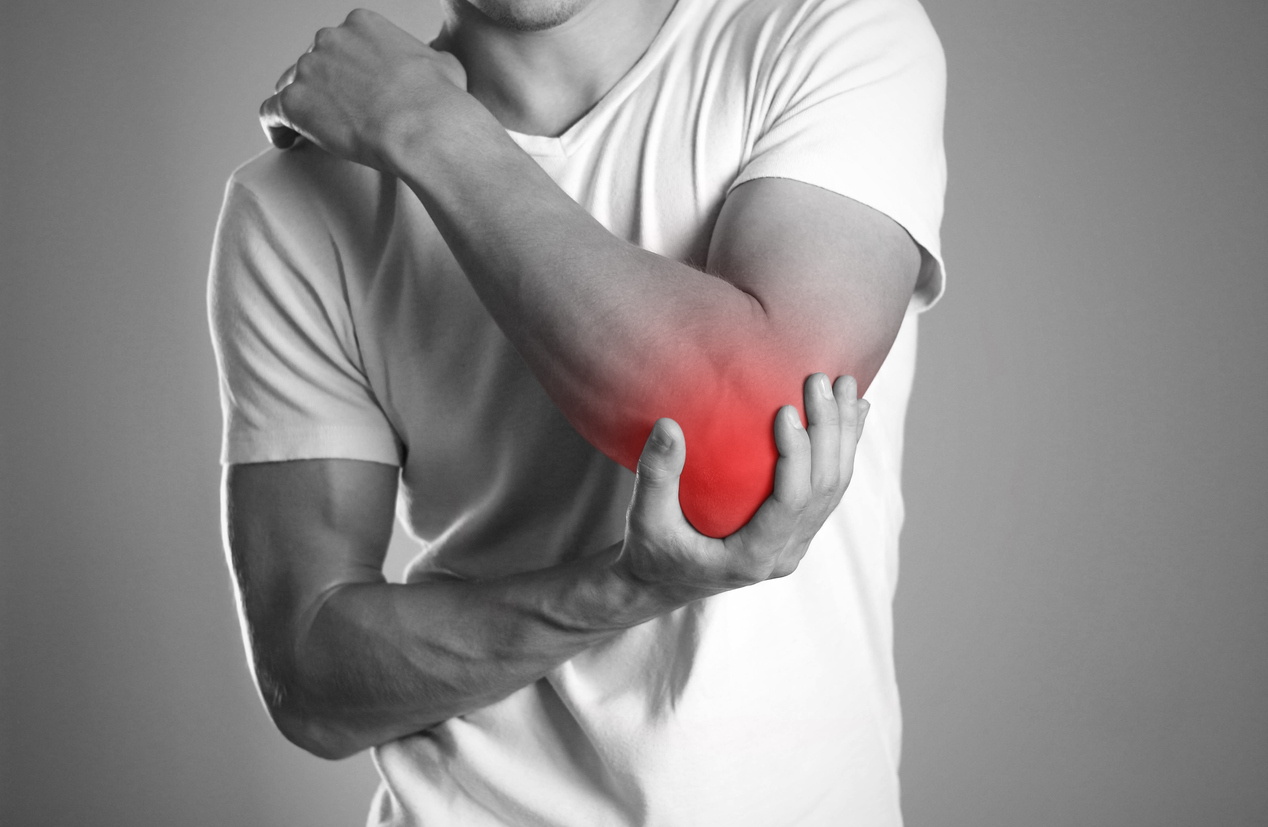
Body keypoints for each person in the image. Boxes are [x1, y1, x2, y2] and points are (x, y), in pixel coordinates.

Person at [207, 0, 945, 821]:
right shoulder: (293, 201)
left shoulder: (824, 32)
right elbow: (311, 679)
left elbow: (746, 451)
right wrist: (622, 589)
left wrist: (428, 129)